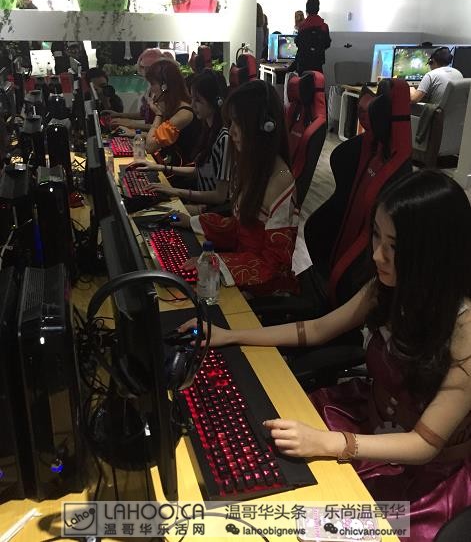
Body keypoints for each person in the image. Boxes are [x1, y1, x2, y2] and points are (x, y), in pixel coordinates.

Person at [177, 169, 471, 541]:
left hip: (421, 476)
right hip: (367, 421)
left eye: (394, 246)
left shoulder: (465, 330)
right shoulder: (390, 287)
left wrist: (332, 443)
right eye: (376, 235)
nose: (377, 255)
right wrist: (228, 335)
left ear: (435, 253)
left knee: (302, 521)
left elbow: (424, 444)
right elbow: (317, 329)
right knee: (259, 454)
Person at [171, 79, 299, 297]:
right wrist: (192, 222)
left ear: (264, 126)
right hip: (242, 275)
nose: (231, 132)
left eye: (238, 123)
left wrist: (215, 263)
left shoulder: (281, 182)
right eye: (230, 123)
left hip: (263, 290)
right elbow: (240, 228)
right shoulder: (253, 167)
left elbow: (274, 265)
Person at [129, 69, 231, 215]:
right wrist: (159, 167)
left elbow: (219, 196)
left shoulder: (224, 138)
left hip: (212, 212)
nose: (193, 105)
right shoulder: (209, 130)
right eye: (192, 99)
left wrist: (175, 191)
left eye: (198, 100)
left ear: (216, 102)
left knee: (150, 212)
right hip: (201, 203)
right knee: (143, 205)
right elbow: (202, 172)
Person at [145, 58, 201, 167]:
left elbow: (150, 146)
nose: (151, 89)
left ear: (164, 87)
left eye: (152, 84)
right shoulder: (174, 107)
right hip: (171, 166)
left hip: (180, 172)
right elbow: (159, 134)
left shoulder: (184, 113)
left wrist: (158, 114)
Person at [107, 47, 163, 136]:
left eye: (150, 67)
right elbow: (143, 114)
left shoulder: (164, 91)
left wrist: (131, 124)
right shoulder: (149, 88)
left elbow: (162, 127)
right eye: (144, 67)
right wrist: (119, 115)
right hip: (149, 136)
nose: (146, 71)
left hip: (157, 138)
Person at [292, 0, 331, 74]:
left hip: (303, 63)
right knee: (318, 80)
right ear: (318, 9)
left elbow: (298, 43)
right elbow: (327, 43)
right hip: (318, 62)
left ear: (306, 10)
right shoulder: (324, 26)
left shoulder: (302, 26)